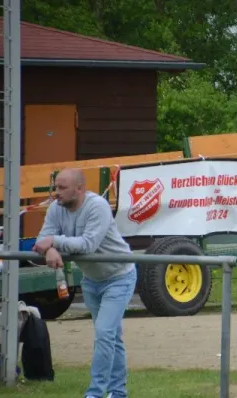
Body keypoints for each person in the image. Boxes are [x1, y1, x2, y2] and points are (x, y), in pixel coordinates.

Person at [32, 168, 137, 398]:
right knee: (111, 337)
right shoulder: (55, 209)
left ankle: (95, 393)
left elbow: (88, 244)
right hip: (91, 280)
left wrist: (54, 241)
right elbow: (42, 239)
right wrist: (49, 248)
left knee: (104, 333)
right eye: (55, 187)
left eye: (62, 188)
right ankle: (119, 393)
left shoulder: (97, 206)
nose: (56, 193)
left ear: (79, 189)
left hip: (119, 277)